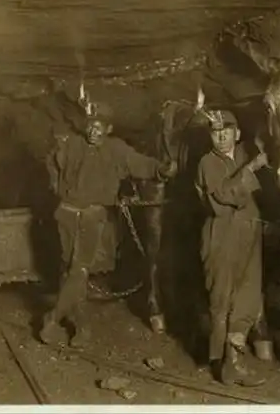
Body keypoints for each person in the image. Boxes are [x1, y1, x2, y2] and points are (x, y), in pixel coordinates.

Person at [39, 100, 177, 349]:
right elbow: (51, 162)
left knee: (79, 269)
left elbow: (139, 163)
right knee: (69, 269)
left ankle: (53, 318)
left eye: (99, 126)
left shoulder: (117, 150)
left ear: (109, 129)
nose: (94, 130)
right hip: (66, 214)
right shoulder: (72, 144)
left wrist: (161, 169)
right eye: (90, 125)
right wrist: (57, 186)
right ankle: (81, 325)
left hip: (92, 217)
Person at [194, 109, 269, 387]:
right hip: (221, 235)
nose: (222, 137)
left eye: (227, 131)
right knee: (221, 299)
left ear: (237, 134)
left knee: (248, 296)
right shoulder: (207, 163)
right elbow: (224, 196)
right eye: (216, 132)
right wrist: (251, 168)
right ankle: (221, 362)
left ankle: (233, 360)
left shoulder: (243, 153)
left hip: (250, 232)